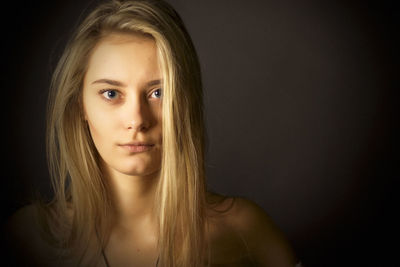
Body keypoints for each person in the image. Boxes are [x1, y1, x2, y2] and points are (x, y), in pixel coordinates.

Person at [4, 0, 301, 266]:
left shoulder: (242, 229)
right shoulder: (30, 238)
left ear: (186, 102)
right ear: (79, 105)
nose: (137, 120)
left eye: (159, 92)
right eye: (111, 93)